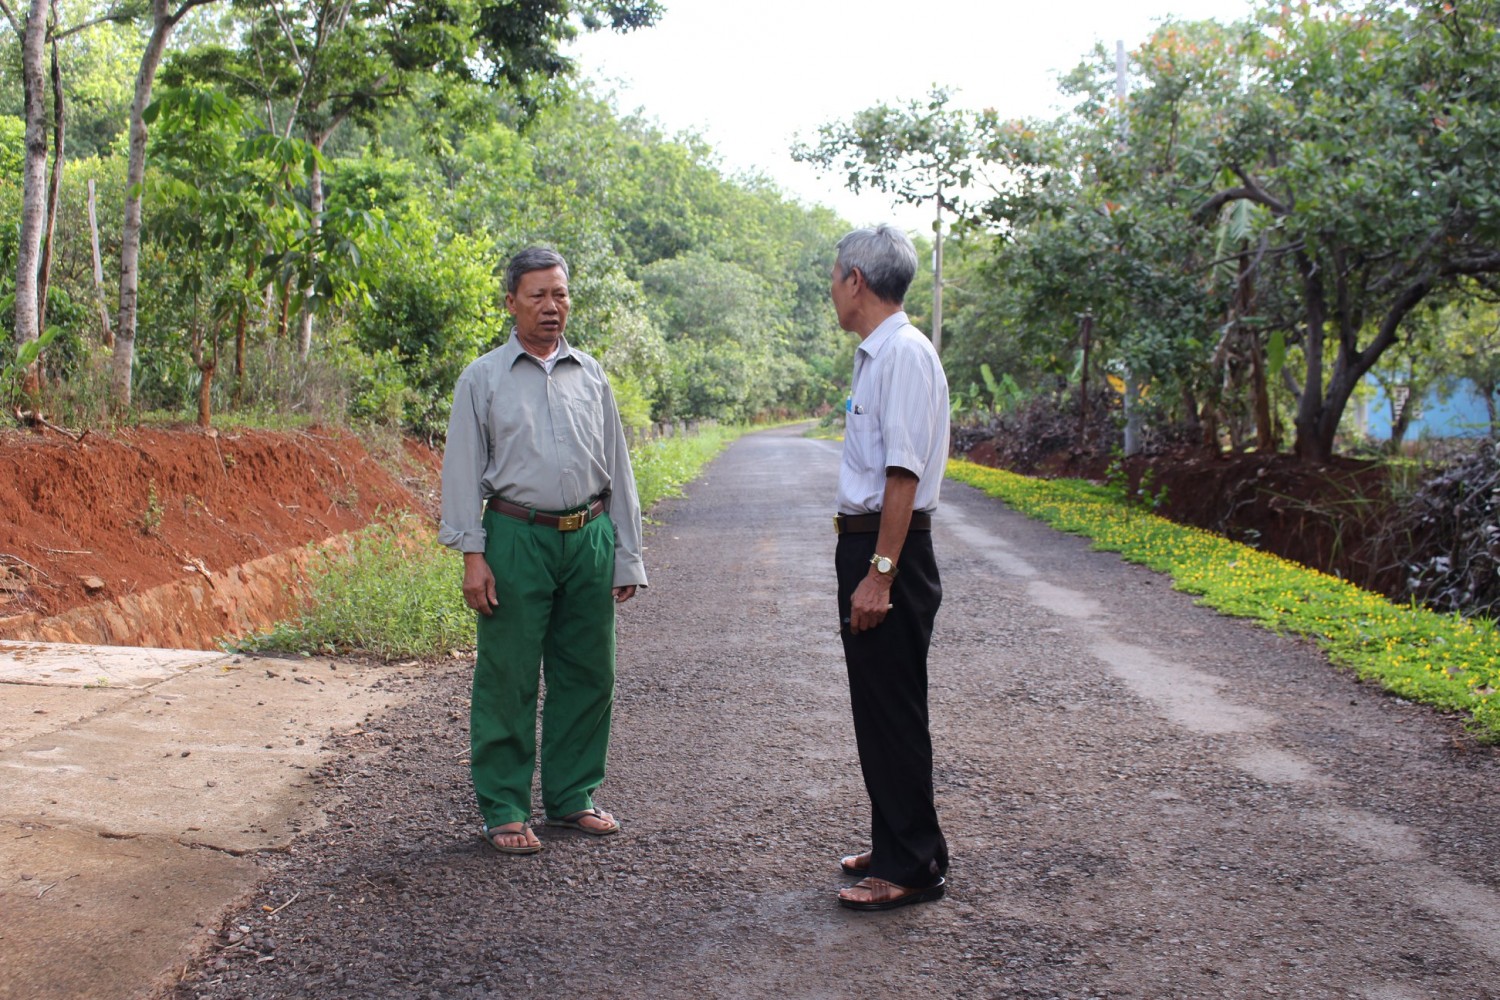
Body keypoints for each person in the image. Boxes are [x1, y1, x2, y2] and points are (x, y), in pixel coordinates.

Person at [439, 246, 647, 856]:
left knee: (589, 670)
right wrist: (473, 555)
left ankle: (572, 796)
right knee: (507, 674)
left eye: (560, 294)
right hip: (515, 536)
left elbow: (619, 470)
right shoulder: (483, 378)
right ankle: (503, 807)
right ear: (511, 303)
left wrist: (626, 554)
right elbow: (462, 473)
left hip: (588, 535)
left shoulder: (592, 373)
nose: (552, 307)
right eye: (538, 295)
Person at [828, 224, 951, 910]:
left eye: (834, 275)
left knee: (893, 709)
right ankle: (905, 840)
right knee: (879, 707)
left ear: (856, 280)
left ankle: (911, 868)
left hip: (889, 548)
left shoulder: (902, 353)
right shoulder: (878, 354)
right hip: (874, 544)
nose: (832, 289)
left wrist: (880, 572)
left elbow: (902, 474)